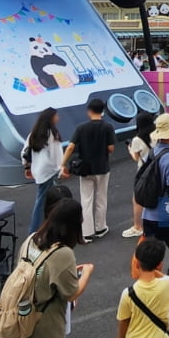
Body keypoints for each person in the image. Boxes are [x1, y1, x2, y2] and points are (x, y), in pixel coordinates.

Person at [14, 197, 94, 338]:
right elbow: (72, 293)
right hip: (45, 330)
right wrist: (86, 272)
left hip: (22, 320)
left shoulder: (31, 239)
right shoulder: (63, 254)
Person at [140, 114, 169, 310]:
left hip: (148, 213)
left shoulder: (152, 152)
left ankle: (147, 294)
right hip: (164, 215)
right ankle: (167, 294)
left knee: (151, 257)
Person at [110, 240, 169, 338]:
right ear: (159, 265)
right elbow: (168, 279)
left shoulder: (128, 294)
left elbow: (123, 321)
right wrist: (155, 269)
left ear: (136, 264)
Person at [61, 98, 115, 240]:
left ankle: (86, 232)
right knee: (101, 198)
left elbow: (71, 147)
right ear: (102, 111)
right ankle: (100, 228)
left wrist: (62, 164)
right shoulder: (108, 127)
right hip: (102, 167)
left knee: (86, 199)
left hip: (85, 168)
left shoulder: (81, 128)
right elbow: (111, 148)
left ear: (89, 111)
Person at [22, 108, 65, 234]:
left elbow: (25, 151)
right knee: (42, 201)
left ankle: (50, 225)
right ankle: (35, 230)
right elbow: (56, 155)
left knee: (54, 198)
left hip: (39, 171)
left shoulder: (34, 133)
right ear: (51, 118)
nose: (58, 118)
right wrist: (61, 168)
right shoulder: (51, 134)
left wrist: (27, 167)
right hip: (49, 172)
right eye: (56, 115)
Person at [123, 112, 155, 239]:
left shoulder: (137, 139)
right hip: (157, 168)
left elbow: (136, 157)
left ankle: (137, 227)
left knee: (137, 199)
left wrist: (130, 149)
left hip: (143, 172)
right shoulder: (156, 134)